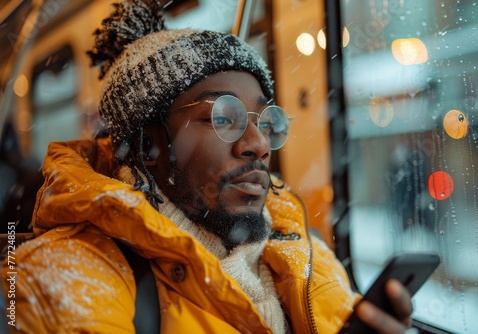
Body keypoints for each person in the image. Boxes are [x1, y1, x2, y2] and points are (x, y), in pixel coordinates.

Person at [2, 0, 413, 332]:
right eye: (223, 117)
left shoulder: (303, 254)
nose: (259, 145)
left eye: (266, 122)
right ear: (149, 146)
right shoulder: (68, 276)